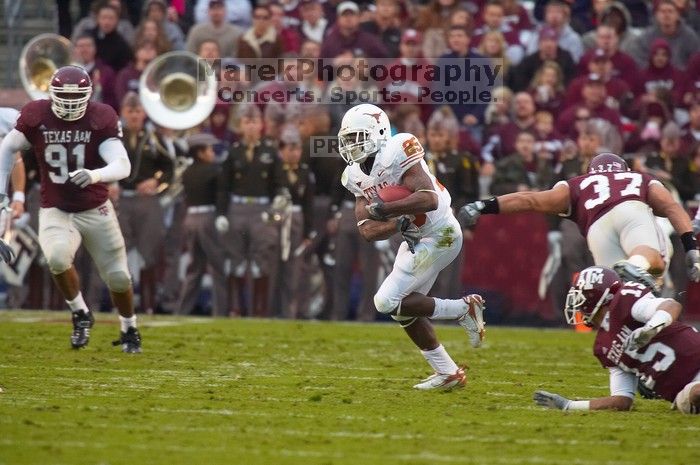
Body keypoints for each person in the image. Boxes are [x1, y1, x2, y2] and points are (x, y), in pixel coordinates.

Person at [337, 103, 486, 390]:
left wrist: (389, 207)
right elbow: (367, 230)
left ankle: (463, 309)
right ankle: (448, 373)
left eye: (358, 137)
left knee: (384, 301)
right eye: (348, 139)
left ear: (379, 132)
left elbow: (428, 198)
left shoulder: (398, 149)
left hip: (440, 231)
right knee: (403, 309)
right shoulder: (354, 175)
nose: (352, 146)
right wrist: (396, 224)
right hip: (416, 236)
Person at [0, 66, 141, 353]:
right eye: (63, 96)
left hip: (95, 207)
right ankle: (80, 313)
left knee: (118, 276)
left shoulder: (100, 117)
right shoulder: (36, 115)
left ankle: (129, 328)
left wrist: (95, 175)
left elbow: (122, 164)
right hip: (57, 207)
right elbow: (7, 148)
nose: (69, 102)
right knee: (56, 257)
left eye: (75, 97)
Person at [459, 152, 700, 292]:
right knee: (655, 262)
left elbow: (529, 199)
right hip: (631, 210)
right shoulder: (639, 178)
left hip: (596, 227)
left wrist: (483, 205)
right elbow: (671, 207)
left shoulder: (576, 184)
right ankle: (635, 265)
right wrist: (690, 247)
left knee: (618, 294)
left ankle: (627, 329)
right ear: (623, 169)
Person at [534, 266, 700, 414]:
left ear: (595, 295)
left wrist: (650, 329)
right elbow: (622, 400)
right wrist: (569, 405)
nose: (577, 304)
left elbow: (672, 306)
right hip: (689, 390)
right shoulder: (603, 346)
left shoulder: (625, 300)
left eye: (581, 296)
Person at [178, 133, 228, 316]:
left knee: (194, 268)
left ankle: (182, 311)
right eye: (209, 149)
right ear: (200, 153)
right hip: (208, 217)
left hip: (190, 219)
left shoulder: (187, 172)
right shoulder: (215, 170)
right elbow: (221, 195)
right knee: (217, 267)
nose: (212, 152)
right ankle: (220, 311)